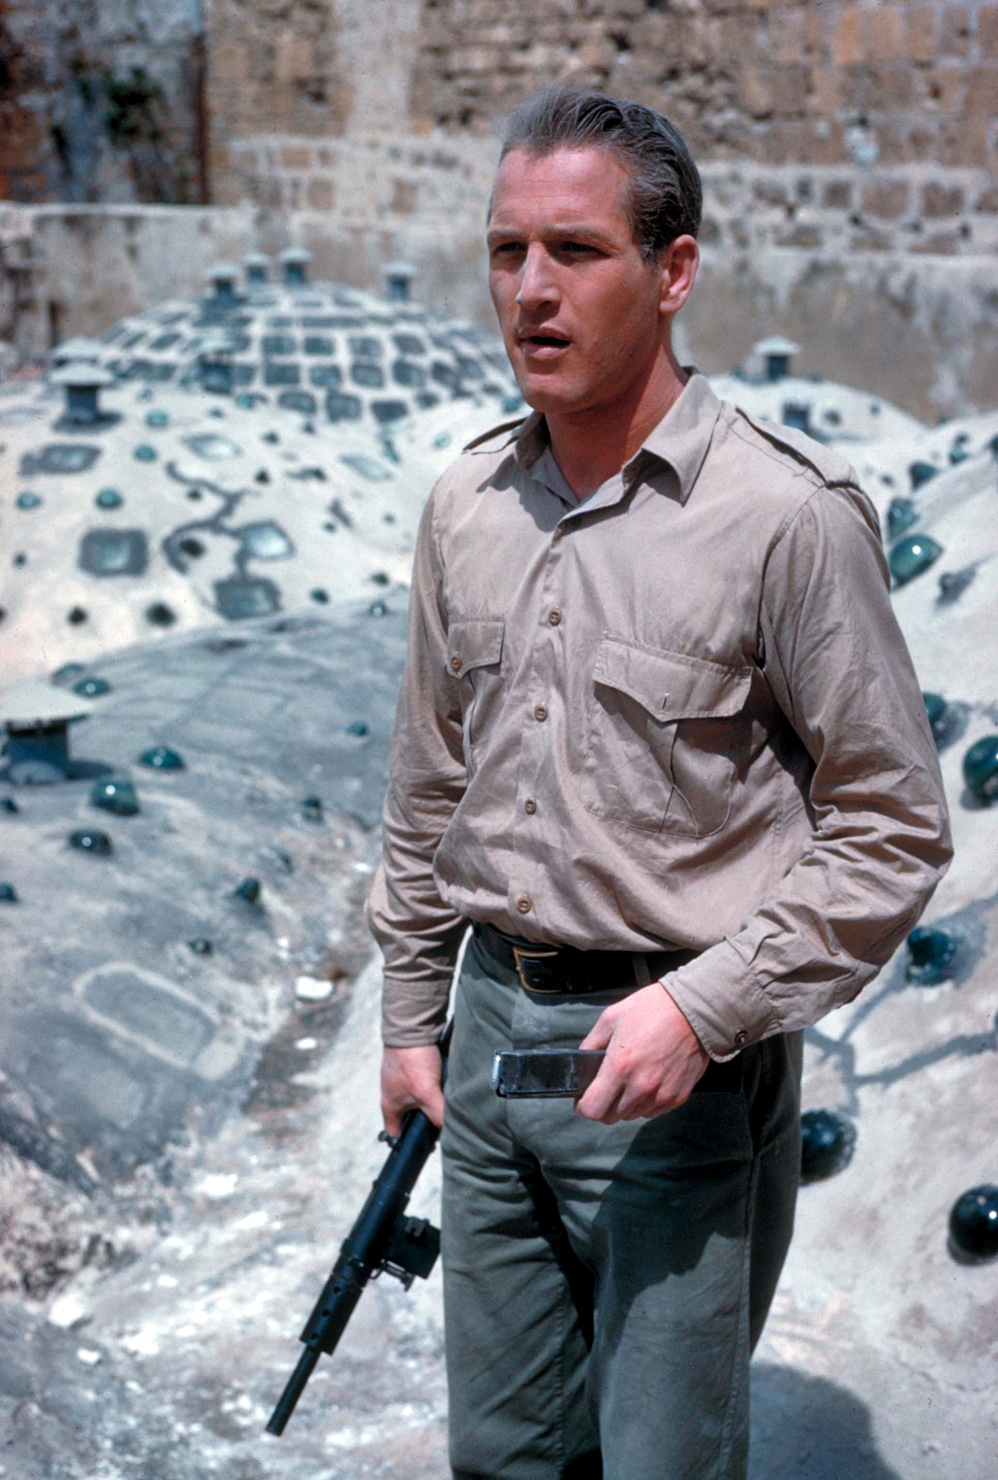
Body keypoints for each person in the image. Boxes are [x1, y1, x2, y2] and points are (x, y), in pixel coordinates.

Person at [369, 86, 952, 1480]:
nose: (531, 290)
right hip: (487, 1046)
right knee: (502, 1457)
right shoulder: (466, 505)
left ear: (673, 270)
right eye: (506, 251)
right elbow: (430, 781)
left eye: (575, 251)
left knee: (660, 1465)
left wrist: (704, 1009)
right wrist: (408, 1015)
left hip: (674, 1072)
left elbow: (890, 828)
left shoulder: (784, 519)